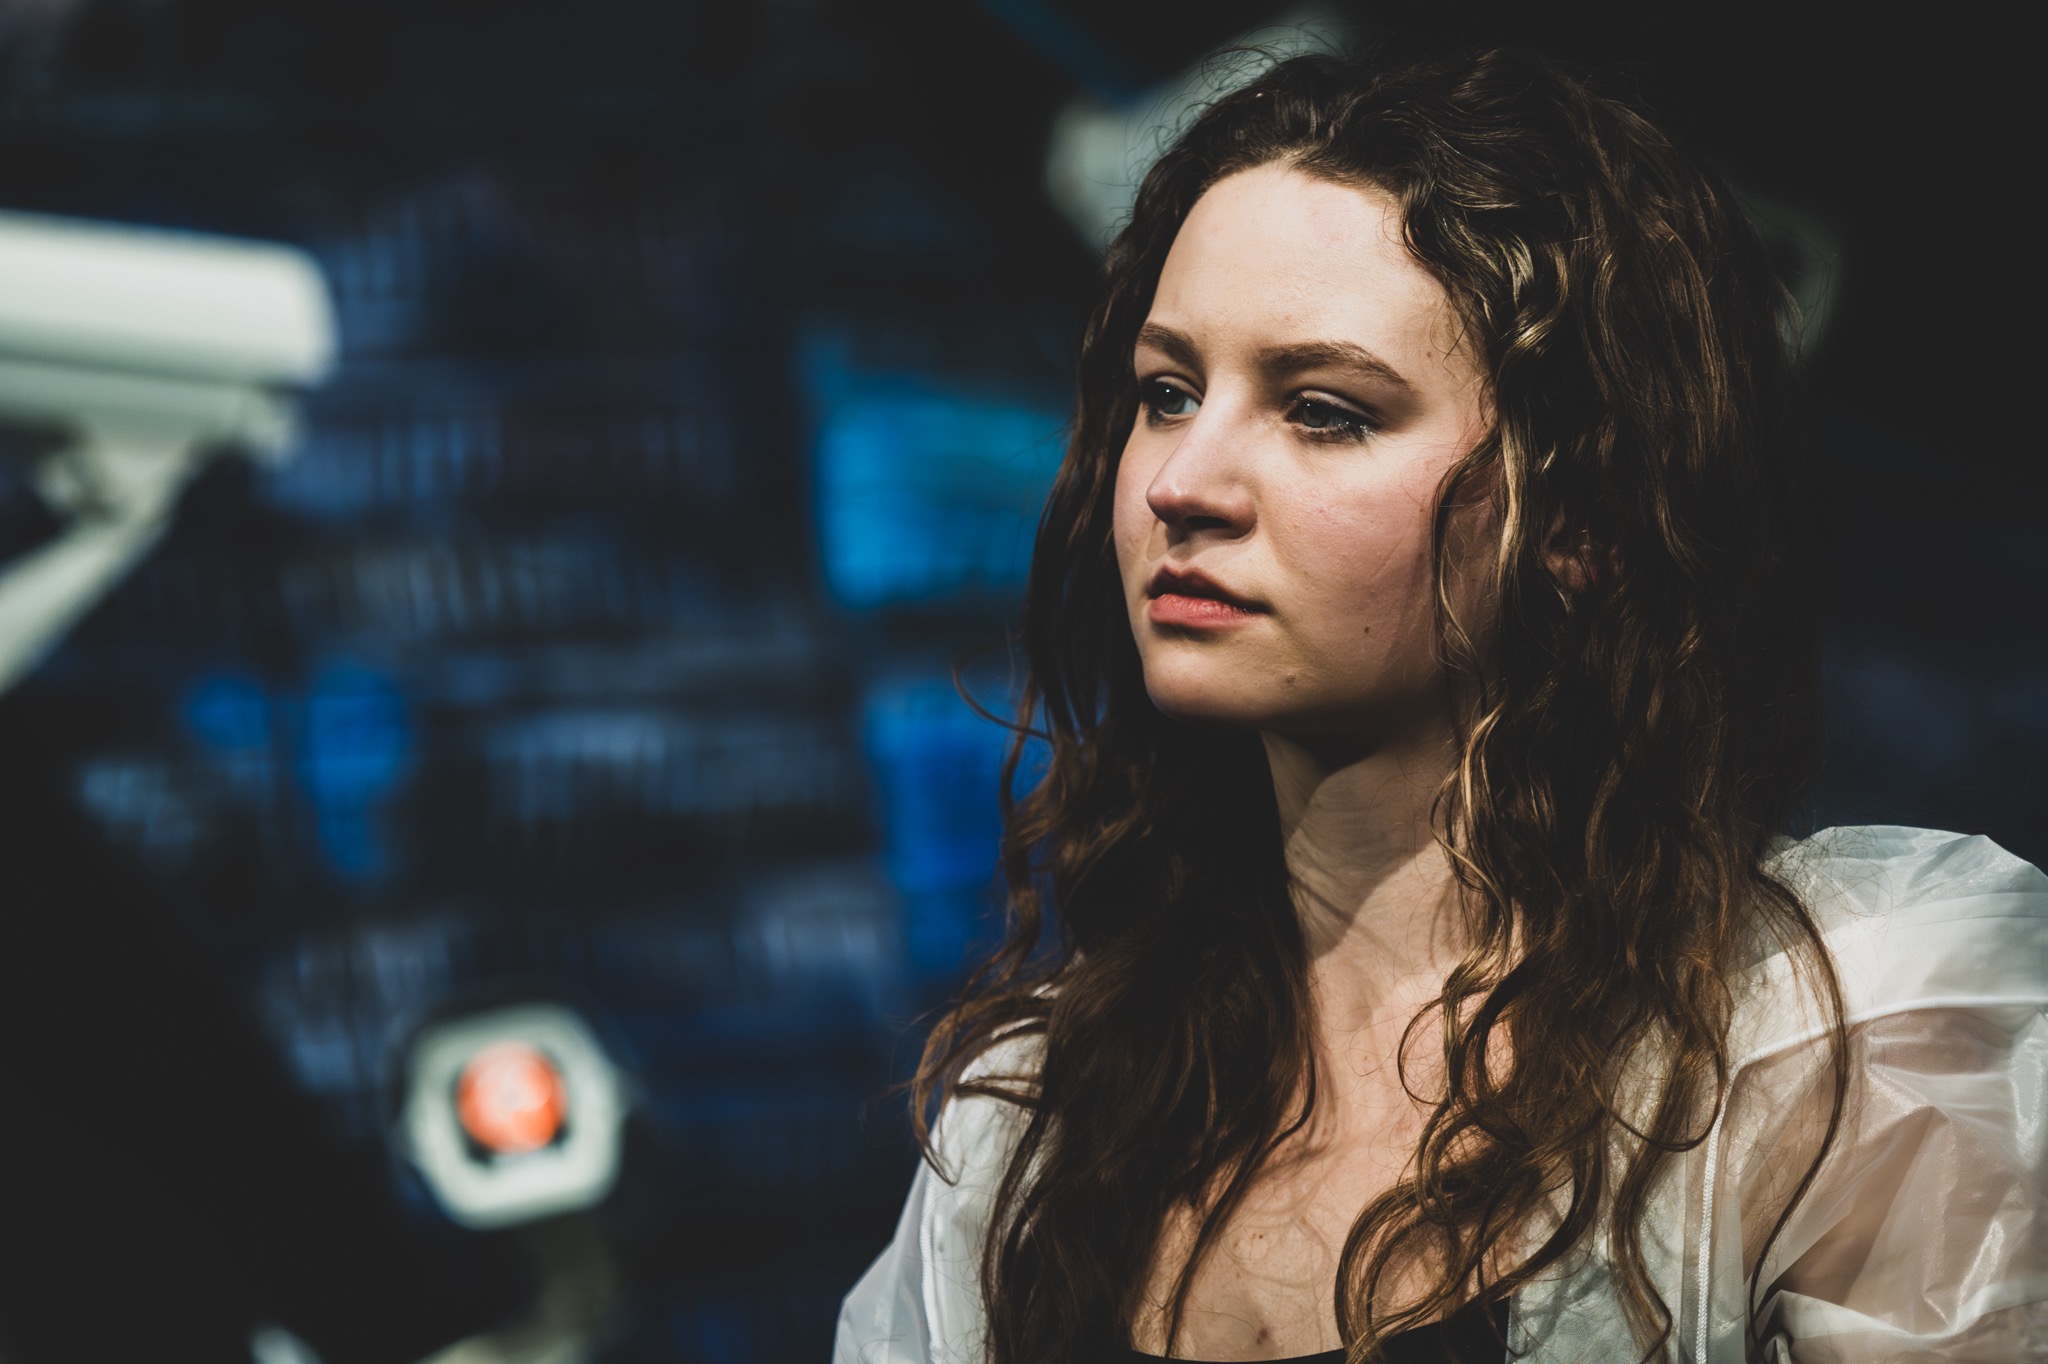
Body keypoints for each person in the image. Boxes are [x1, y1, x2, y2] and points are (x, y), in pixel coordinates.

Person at [834, 47, 2048, 1364]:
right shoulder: (1031, 1126)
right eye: (1167, 393)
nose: (1184, 481)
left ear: (1582, 517)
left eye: (1324, 412)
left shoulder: (1843, 1040)